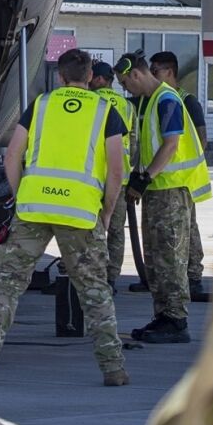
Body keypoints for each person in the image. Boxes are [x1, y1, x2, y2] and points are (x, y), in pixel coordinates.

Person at [0, 48, 129, 386]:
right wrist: (108, 211)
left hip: (34, 207)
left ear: (60, 76)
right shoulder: (105, 110)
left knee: (7, 284)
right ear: (89, 77)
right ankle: (112, 367)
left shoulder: (40, 105)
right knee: (94, 290)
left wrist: (19, 193)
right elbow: (116, 170)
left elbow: (13, 155)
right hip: (81, 213)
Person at [118, 51, 210, 344]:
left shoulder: (167, 99)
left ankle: (176, 320)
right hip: (158, 190)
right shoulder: (147, 102)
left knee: (170, 257)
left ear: (136, 74)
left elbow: (171, 144)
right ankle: (163, 315)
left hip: (171, 190)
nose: (125, 88)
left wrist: (144, 178)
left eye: (124, 82)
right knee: (155, 258)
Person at [150, 50, 212, 303]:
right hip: (168, 179)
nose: (152, 76)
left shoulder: (186, 100)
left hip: (183, 179)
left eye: (156, 71)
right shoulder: (158, 98)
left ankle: (193, 277)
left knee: (188, 231)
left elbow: (201, 139)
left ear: (170, 72)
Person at [88, 60, 135, 287]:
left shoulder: (93, 101)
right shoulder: (127, 106)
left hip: (94, 176)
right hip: (121, 178)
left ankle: (88, 274)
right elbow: (133, 142)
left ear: (98, 80)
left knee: (88, 227)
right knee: (116, 231)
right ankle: (111, 278)